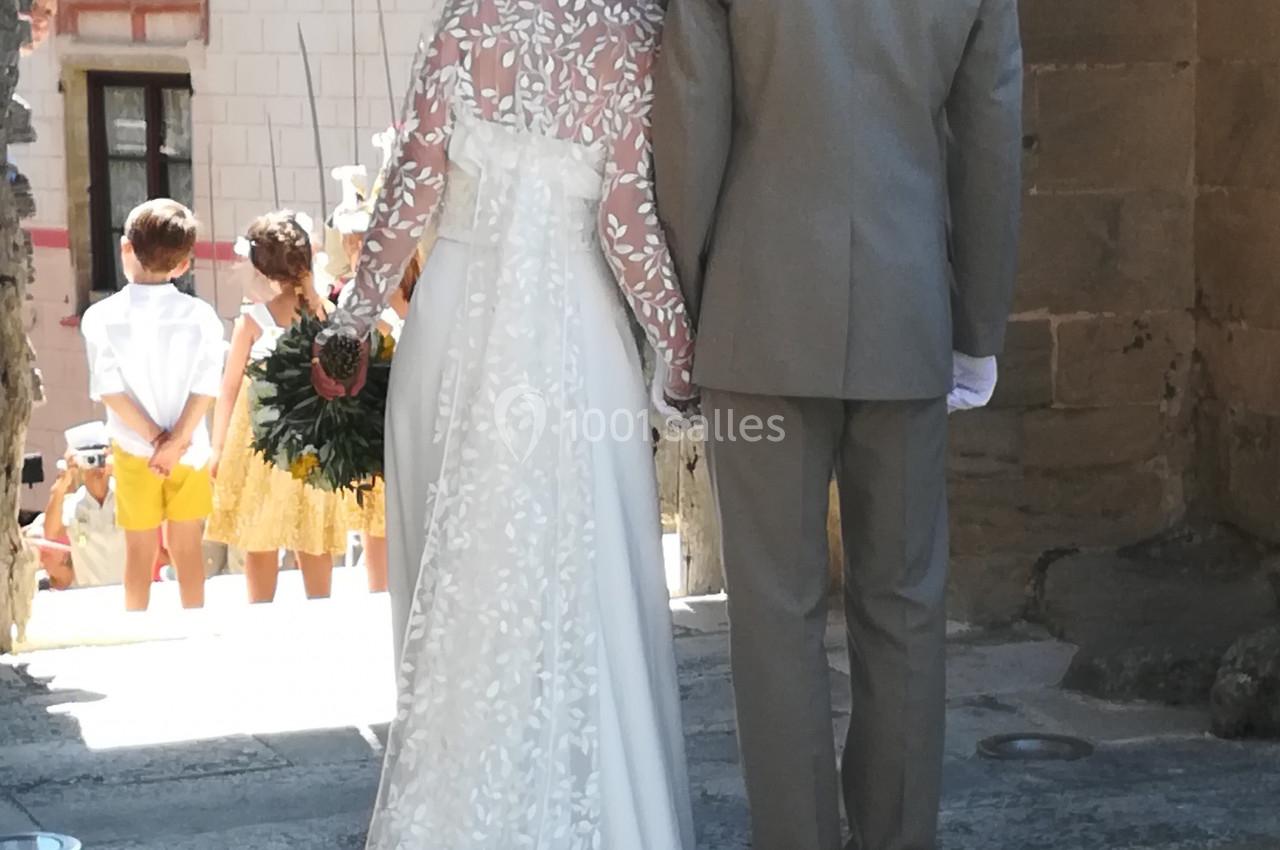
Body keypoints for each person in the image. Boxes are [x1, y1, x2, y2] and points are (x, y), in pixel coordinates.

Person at [318, 2, 697, 845]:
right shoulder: (635, 32)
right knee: (591, 583)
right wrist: (679, 349)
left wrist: (352, 321)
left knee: (449, 592)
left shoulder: (465, 21)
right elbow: (626, 217)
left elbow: (411, 186)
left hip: (451, 326)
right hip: (577, 335)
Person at [651, 3, 1023, 850]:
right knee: (905, 601)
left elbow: (692, 120)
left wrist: (690, 305)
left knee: (775, 612)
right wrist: (978, 325)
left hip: (760, 305)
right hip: (907, 302)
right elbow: (990, 131)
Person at [80, 199, 224, 612]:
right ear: (183, 264)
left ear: (126, 248)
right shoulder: (202, 316)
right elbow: (206, 386)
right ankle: (193, 623)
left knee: (139, 549)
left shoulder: (101, 316)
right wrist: (176, 442)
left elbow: (109, 390)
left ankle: (136, 625)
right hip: (189, 450)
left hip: (133, 449)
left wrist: (155, 440)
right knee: (187, 545)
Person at [205, 212, 349, 603]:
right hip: (315, 443)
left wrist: (218, 448)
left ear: (261, 268)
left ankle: (260, 616)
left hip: (262, 448)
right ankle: (318, 612)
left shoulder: (253, 322)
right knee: (313, 535)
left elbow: (229, 388)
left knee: (259, 536)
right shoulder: (329, 316)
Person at [40, 422, 127, 590]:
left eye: (100, 458)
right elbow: (50, 533)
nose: (96, 467)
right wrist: (61, 485)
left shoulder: (127, 498)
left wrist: (121, 470)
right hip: (88, 597)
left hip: (126, 592)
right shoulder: (72, 505)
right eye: (89, 460)